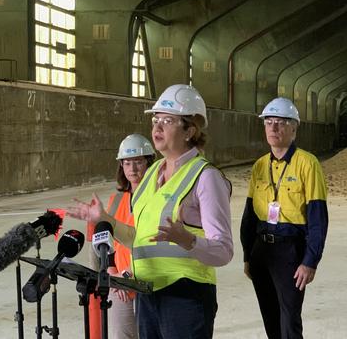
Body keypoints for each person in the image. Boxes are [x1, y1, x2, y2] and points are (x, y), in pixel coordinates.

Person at [69, 84, 233, 339]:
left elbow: (223, 251)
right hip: (147, 294)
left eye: (167, 121)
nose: (157, 128)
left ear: (190, 130)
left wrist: (187, 240)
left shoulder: (206, 177)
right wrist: (106, 220)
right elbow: (138, 238)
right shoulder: (152, 174)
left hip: (185, 296)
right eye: (156, 120)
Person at [240, 97, 329, 339]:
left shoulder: (307, 164)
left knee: (289, 320)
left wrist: (310, 260)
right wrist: (248, 255)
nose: (273, 128)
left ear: (294, 127)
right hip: (261, 250)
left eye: (280, 122)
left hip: (290, 251)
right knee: (270, 316)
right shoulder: (259, 165)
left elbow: (318, 218)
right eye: (268, 122)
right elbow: (249, 216)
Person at [96, 134, 156, 339]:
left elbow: (158, 242)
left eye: (138, 162)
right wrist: (114, 275)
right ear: (121, 165)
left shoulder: (159, 199)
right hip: (120, 283)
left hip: (150, 281)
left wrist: (128, 275)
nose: (132, 168)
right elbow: (107, 243)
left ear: (149, 163)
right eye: (127, 163)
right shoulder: (115, 201)